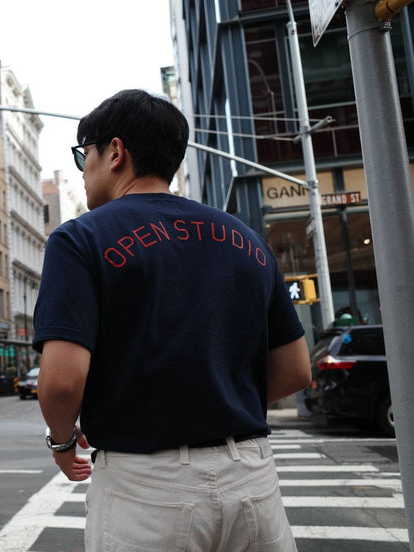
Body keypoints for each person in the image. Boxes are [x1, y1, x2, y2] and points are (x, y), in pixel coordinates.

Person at [33, 90, 311, 551]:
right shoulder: (247, 240)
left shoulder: (80, 239)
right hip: (253, 483)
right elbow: (296, 370)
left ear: (116, 152)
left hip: (146, 490)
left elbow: (61, 384)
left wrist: (62, 444)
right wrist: (216, 392)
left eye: (87, 154)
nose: (84, 169)